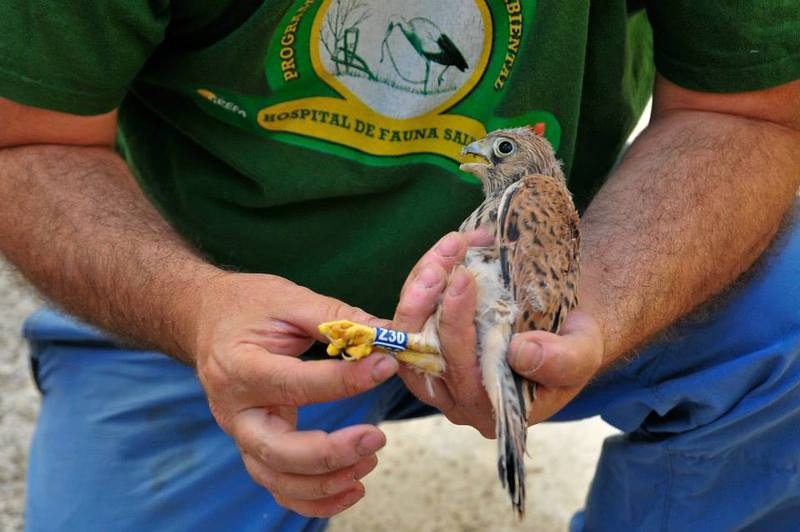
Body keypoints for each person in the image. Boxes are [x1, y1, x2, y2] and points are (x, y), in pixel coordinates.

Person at [1, 1, 798, 530]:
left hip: (564, 285)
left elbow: (745, 112)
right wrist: (189, 307)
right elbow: (27, 140)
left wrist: (586, 315)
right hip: (202, 303)